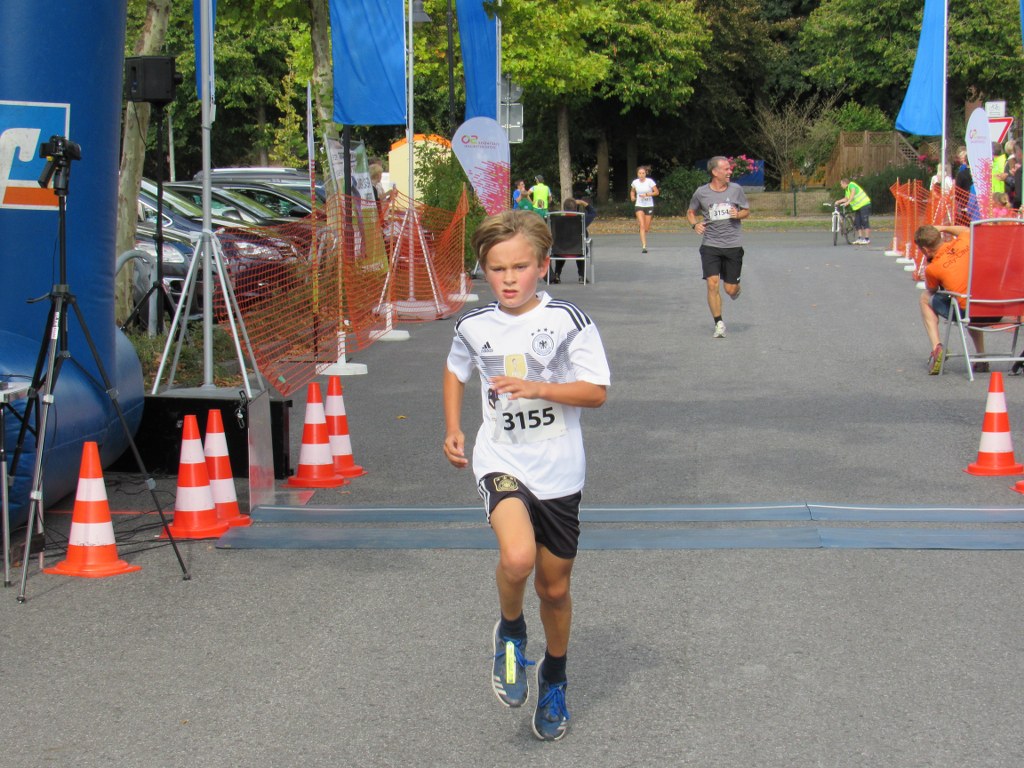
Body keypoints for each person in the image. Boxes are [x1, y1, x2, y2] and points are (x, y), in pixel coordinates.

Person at [443, 209, 610, 741]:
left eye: (520, 267)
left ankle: (554, 676)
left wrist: (539, 388)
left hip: (559, 471)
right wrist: (453, 427)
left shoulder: (568, 320)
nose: (509, 279)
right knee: (517, 558)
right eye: (497, 269)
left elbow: (596, 392)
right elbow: (455, 369)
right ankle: (511, 634)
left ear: (542, 264)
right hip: (502, 460)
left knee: (553, 588)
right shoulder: (473, 325)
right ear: (484, 270)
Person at [915, 224, 997, 375]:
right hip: (996, 308)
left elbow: (932, 289)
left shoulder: (933, 268)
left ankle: (937, 347)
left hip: (969, 313)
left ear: (925, 250)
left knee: (925, 298)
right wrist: (942, 227)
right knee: (971, 295)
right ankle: (981, 357)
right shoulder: (964, 242)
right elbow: (967, 230)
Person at [687, 155, 750, 338]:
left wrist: (738, 214)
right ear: (715, 172)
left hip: (732, 245)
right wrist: (695, 224)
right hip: (710, 245)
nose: (730, 171)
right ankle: (719, 323)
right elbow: (690, 211)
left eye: (730, 168)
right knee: (712, 283)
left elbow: (746, 210)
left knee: (730, 289)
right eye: (726, 169)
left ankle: (736, 288)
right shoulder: (701, 192)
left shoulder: (736, 189)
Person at [551, 197, 594, 284]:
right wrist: (582, 203)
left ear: (564, 208)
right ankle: (581, 276)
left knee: (562, 246)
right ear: (575, 208)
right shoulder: (582, 219)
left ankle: (557, 274)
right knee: (581, 247)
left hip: (559, 250)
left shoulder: (556, 219)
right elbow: (593, 213)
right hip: (578, 250)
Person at [629, 166, 659, 253]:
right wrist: (632, 196)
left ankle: (643, 230)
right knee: (642, 225)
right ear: (637, 174)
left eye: (643, 173)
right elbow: (632, 191)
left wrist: (647, 194)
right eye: (640, 173)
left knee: (646, 228)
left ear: (646, 174)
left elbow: (656, 192)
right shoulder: (635, 182)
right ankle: (644, 246)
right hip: (639, 205)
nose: (641, 175)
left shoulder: (650, 181)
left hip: (649, 206)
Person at [836, 176, 872, 245]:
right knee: (857, 222)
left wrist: (848, 202)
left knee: (864, 221)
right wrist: (838, 201)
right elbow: (846, 198)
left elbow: (852, 195)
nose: (841, 186)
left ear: (844, 183)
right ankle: (860, 238)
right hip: (858, 207)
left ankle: (867, 239)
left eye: (841, 184)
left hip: (864, 205)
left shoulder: (851, 185)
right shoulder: (847, 190)